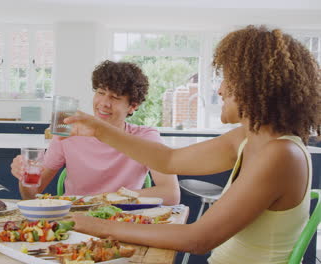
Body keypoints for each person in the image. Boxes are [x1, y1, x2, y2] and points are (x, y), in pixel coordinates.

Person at [67, 25, 320, 263]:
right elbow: (168, 160)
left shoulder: (282, 154)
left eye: (227, 79)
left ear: (254, 86)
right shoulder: (246, 137)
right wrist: (100, 130)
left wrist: (99, 226)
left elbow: (198, 239)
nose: (219, 90)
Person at [11, 60, 180, 204]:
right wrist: (25, 177)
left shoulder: (145, 137)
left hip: (121, 218)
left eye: (115, 97)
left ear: (132, 106)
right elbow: (30, 196)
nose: (104, 103)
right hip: (75, 219)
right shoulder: (68, 131)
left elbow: (171, 194)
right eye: (100, 93)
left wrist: (102, 199)